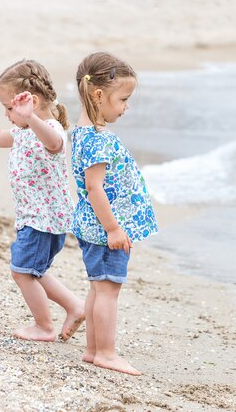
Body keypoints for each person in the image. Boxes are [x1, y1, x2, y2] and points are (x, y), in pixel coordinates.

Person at [0, 59, 84, 342]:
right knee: (35, 271)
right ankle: (74, 306)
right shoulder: (22, 132)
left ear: (32, 102)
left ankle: (44, 326)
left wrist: (30, 117)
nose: (8, 114)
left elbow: (54, 144)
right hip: (35, 218)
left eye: (10, 107)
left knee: (22, 272)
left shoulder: (50, 129)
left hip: (43, 220)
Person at [70, 52, 158, 375]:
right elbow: (94, 189)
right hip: (103, 229)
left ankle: (93, 349)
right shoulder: (97, 141)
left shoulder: (82, 133)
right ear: (98, 95)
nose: (126, 107)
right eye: (123, 99)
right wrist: (113, 229)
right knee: (108, 289)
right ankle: (106, 352)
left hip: (91, 227)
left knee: (98, 287)